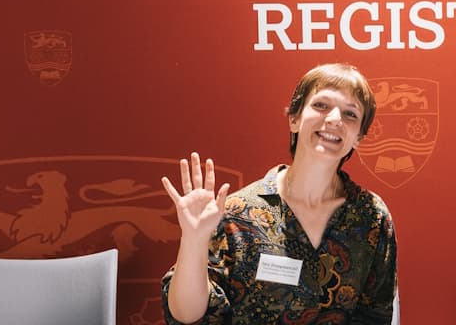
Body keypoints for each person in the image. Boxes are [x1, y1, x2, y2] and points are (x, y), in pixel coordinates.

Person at [160, 63, 398, 325]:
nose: (334, 119)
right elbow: (186, 317)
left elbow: (376, 316)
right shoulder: (236, 213)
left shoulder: (370, 217)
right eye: (321, 105)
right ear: (294, 119)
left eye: (350, 114)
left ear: (358, 138)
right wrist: (193, 240)